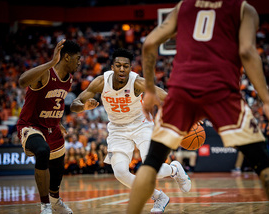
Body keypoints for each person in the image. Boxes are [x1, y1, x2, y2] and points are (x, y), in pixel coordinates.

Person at [127, 1, 269, 214]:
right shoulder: (244, 9)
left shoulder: (183, 7)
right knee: (265, 166)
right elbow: (246, 51)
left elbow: (150, 43)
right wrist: (268, 102)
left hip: (182, 90)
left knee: (151, 164)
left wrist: (151, 90)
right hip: (222, 91)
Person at [70, 48, 191, 213]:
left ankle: (175, 169)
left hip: (141, 124)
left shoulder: (137, 82)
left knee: (151, 168)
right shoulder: (100, 82)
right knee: (120, 172)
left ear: (130, 68)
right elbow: (74, 104)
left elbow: (163, 95)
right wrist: (83, 106)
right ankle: (159, 197)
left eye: (125, 66)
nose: (121, 69)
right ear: (112, 66)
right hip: (117, 129)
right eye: (118, 65)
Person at [17, 39, 80, 214]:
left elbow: (55, 102)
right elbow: (22, 81)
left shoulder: (69, 79)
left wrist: (58, 122)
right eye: (77, 58)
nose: (80, 62)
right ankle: (45, 206)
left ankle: (55, 201)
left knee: (58, 168)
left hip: (52, 127)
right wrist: (51, 62)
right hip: (31, 126)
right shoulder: (46, 73)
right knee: (43, 151)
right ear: (66, 57)